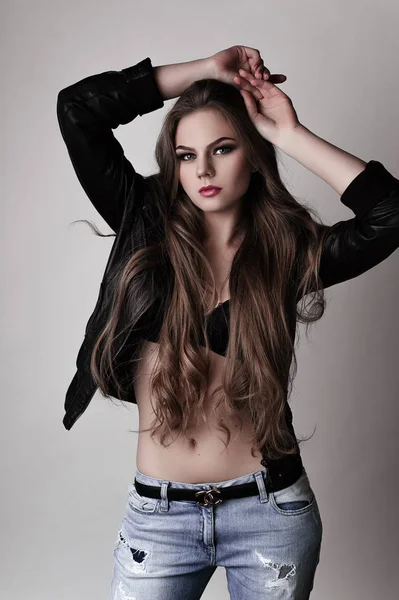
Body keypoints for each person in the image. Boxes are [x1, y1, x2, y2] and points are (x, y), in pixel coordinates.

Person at [56, 45, 399, 599]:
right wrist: (203, 71)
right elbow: (77, 109)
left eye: (222, 148)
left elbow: (390, 216)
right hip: (159, 519)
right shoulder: (141, 219)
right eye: (187, 155)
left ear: (253, 154)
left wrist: (289, 133)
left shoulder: (287, 253)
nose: (204, 170)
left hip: (272, 512)